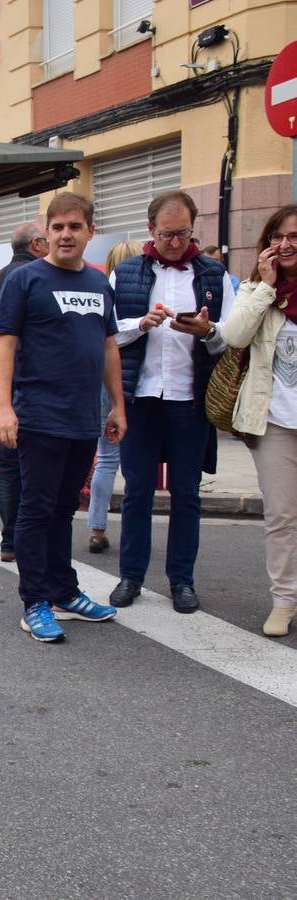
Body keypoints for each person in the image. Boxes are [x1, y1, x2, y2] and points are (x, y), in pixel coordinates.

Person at [0, 193, 125, 643]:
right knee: (36, 510)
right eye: (58, 227)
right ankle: (35, 602)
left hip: (84, 419)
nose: (66, 234)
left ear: (89, 231)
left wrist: (117, 405)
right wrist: (3, 407)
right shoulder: (25, 280)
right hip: (39, 417)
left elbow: (108, 347)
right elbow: (4, 347)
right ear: (45, 233)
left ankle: (64, 592)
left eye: (75, 226)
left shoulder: (99, 283)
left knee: (64, 510)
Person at [107, 191, 235, 614]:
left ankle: (182, 581)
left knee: (186, 493)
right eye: (167, 234)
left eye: (183, 234)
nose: (175, 242)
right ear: (150, 230)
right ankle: (131, 577)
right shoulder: (124, 273)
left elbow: (230, 343)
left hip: (189, 400)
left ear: (193, 229)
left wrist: (206, 332)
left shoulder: (214, 275)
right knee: (138, 492)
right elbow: (107, 334)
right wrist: (140, 324)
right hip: (140, 398)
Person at [220, 204, 297, 637]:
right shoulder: (256, 289)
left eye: (294, 237)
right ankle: (284, 600)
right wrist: (268, 288)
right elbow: (233, 335)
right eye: (277, 236)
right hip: (276, 423)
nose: (284, 245)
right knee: (282, 516)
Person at [0, 222, 48, 562]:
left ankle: (9, 541)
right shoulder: (40, 278)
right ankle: (33, 538)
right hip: (37, 386)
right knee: (39, 465)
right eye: (47, 238)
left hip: (3, 388)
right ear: (35, 244)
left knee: (10, 467)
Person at [86, 239, 143, 554]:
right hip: (135, 381)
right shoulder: (143, 294)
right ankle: (136, 531)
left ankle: (97, 528)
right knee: (136, 461)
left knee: (106, 459)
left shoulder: (99, 291)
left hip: (102, 379)